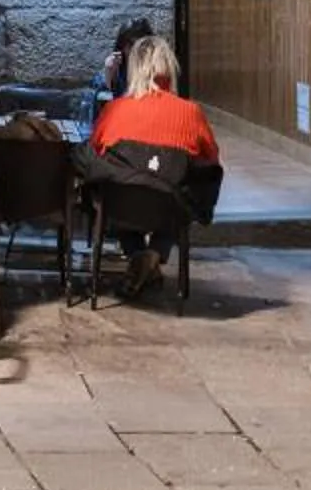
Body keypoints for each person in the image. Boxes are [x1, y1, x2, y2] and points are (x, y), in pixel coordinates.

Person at [87, 37, 219, 296]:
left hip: (119, 206)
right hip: (169, 208)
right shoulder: (190, 113)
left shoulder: (114, 110)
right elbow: (211, 160)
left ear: (134, 69)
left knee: (111, 180)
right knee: (182, 187)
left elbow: (95, 150)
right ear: (170, 68)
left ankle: (138, 255)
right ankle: (154, 254)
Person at [99, 17, 156, 105]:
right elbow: (108, 95)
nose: (135, 50)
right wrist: (110, 73)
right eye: (130, 44)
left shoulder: (155, 66)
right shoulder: (117, 65)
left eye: (140, 44)